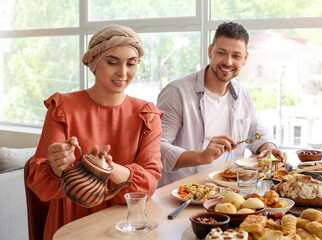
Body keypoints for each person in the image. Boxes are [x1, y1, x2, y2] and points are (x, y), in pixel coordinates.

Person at [26, 25, 163, 240]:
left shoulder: (147, 115)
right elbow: (42, 188)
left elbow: (147, 185)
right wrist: (55, 168)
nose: (123, 72)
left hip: (128, 227)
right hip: (70, 228)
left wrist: (106, 167)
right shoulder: (62, 108)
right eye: (112, 62)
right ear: (93, 62)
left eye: (131, 63)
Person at [157, 22, 287, 187]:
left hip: (228, 191)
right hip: (181, 194)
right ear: (210, 51)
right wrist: (201, 157)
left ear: (245, 58)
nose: (228, 62)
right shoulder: (177, 92)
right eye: (221, 53)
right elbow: (156, 148)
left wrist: (268, 148)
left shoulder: (243, 94)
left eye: (236, 56)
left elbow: (256, 131)